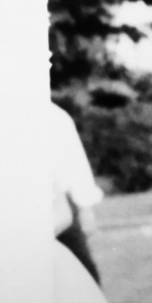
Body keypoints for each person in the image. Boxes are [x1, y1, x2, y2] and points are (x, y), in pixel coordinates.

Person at [50, 102, 104, 283]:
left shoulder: (52, 115)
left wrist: (86, 207)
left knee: (83, 273)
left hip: (59, 205)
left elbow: (75, 163)